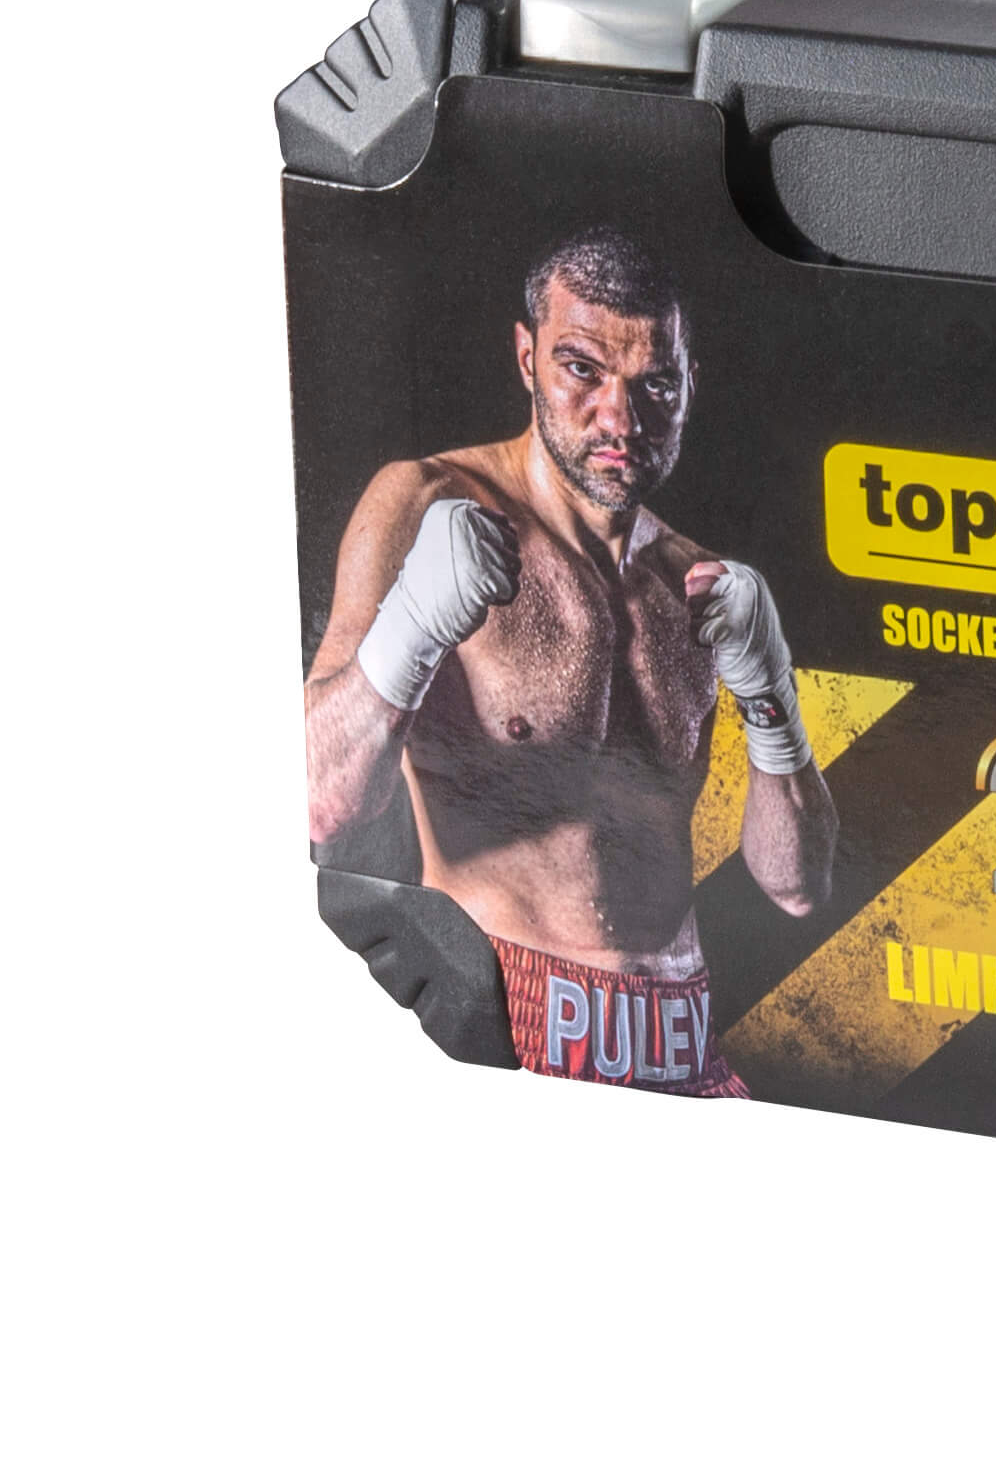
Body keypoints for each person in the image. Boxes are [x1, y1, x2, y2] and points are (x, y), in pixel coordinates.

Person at [303, 228, 835, 1096]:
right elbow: (320, 799)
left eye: (653, 383)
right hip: (508, 1027)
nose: (619, 419)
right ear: (527, 357)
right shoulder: (425, 501)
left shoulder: (696, 584)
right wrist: (410, 626)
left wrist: (771, 695)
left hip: (685, 1042)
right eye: (582, 369)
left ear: (689, 385)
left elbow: (799, 885)